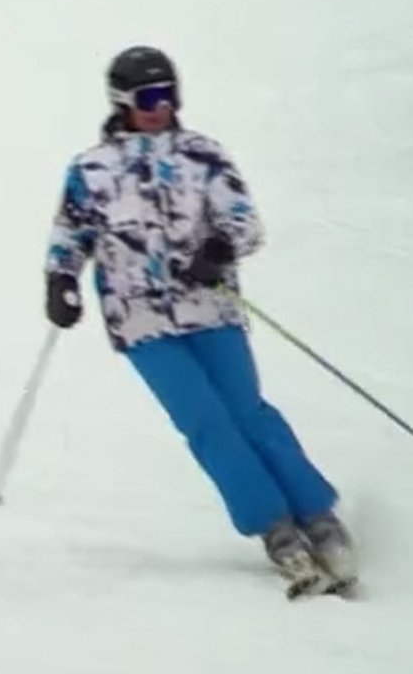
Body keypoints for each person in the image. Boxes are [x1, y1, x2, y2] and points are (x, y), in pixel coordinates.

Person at [43, 45, 353, 595]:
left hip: (210, 309)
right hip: (140, 321)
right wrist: (61, 279)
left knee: (249, 412)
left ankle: (318, 516)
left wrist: (218, 247)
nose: (160, 107)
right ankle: (276, 530)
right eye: (148, 98)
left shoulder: (202, 156)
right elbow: (72, 232)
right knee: (206, 423)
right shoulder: (91, 170)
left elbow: (245, 221)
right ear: (123, 102)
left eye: (168, 95)